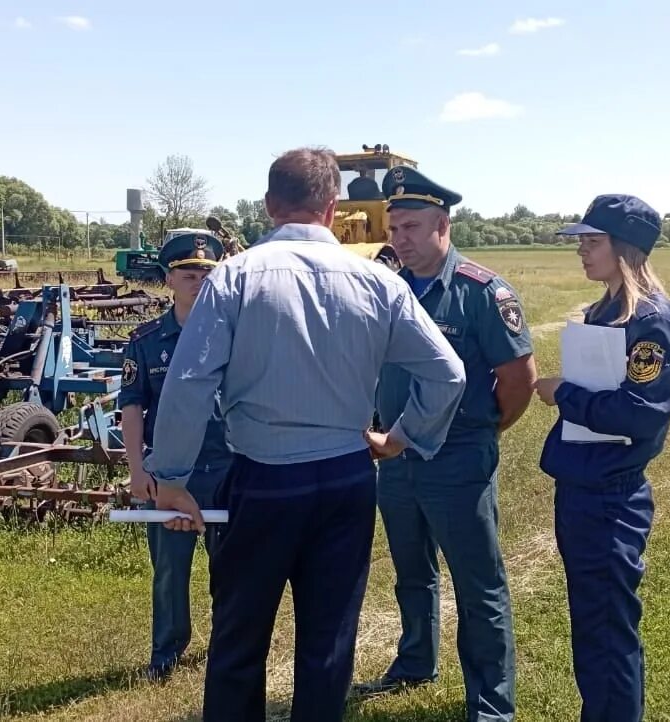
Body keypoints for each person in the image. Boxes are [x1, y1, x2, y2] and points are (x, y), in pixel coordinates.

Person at [142, 146, 467, 722]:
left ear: (269, 205)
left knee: (240, 639)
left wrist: (169, 477)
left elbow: (189, 383)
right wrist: (400, 437)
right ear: (333, 204)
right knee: (328, 644)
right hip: (345, 478)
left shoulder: (235, 278)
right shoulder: (379, 280)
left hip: (262, 479)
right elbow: (447, 373)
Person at [352, 166, 536, 721]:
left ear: (443, 225)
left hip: (458, 458)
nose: (398, 238)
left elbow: (519, 381)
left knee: (478, 583)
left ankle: (491, 702)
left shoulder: (483, 293)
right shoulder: (389, 289)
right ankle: (414, 662)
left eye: (410, 227)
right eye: (395, 227)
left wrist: (481, 430)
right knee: (412, 572)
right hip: (395, 456)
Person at [532, 193, 670, 722]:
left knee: (606, 628)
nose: (581, 250)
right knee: (592, 623)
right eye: (581, 241)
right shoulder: (605, 310)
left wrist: (563, 394)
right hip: (581, 487)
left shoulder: (650, 319)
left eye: (592, 241)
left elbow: (643, 413)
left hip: (610, 496)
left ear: (625, 248)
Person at [118, 230, 232, 683]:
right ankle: (166, 652)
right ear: (168, 279)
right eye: (188, 272)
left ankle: (230, 646)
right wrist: (136, 470)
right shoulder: (146, 341)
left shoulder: (234, 336)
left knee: (232, 568)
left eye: (207, 272)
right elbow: (131, 407)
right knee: (169, 572)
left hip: (227, 469)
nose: (198, 279)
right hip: (168, 474)